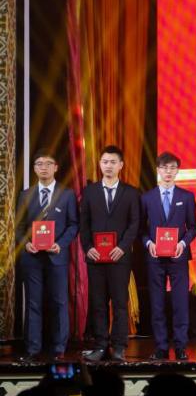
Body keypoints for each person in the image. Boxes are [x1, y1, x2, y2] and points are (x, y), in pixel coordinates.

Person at [14, 151, 78, 361]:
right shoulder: (25, 195)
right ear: (34, 169)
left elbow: (73, 225)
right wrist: (26, 243)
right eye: (39, 164)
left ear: (56, 167)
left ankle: (59, 349)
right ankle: (32, 350)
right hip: (31, 258)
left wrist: (60, 244)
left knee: (59, 302)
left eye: (48, 163)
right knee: (33, 302)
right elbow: (19, 227)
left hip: (56, 256)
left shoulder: (67, 195)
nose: (44, 167)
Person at [79, 145, 141, 362]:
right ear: (100, 164)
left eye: (113, 162)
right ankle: (100, 345)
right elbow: (84, 223)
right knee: (98, 303)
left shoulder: (131, 192)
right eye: (105, 162)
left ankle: (119, 347)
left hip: (119, 257)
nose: (108, 166)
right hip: (95, 257)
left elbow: (135, 223)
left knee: (120, 303)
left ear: (121, 165)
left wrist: (122, 247)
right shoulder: (89, 192)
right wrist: (88, 247)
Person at [139, 151, 196, 360]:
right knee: (157, 304)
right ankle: (161, 347)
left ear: (177, 171)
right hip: (155, 258)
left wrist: (183, 243)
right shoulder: (146, 198)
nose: (168, 172)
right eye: (164, 168)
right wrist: (149, 243)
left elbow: (193, 227)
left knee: (180, 303)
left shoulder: (186, 197)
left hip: (178, 257)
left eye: (172, 168)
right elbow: (141, 229)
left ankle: (181, 346)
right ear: (158, 170)